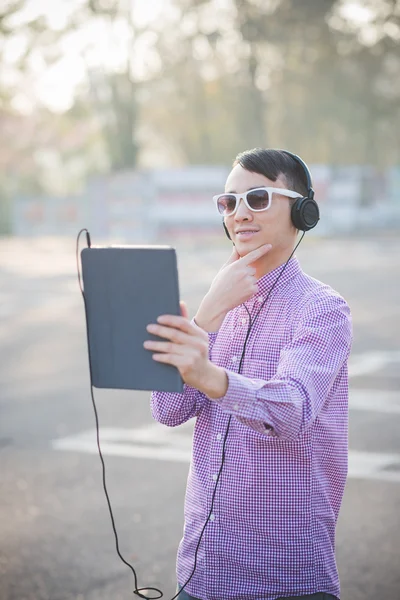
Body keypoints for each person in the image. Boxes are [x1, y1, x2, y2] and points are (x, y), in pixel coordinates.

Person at [144, 148, 353, 600]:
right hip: (204, 572)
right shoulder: (220, 303)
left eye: (257, 198)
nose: (239, 213)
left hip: (287, 579)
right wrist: (207, 313)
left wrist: (210, 377)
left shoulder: (322, 310)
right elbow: (167, 408)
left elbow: (291, 411)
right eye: (229, 202)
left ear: (302, 211)